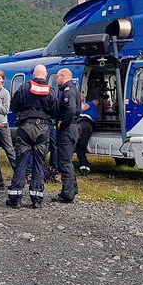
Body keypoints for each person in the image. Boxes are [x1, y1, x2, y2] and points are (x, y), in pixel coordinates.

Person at [7, 64, 57, 209]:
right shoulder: (51, 91)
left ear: (34, 74)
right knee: (39, 163)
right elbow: (55, 112)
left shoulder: (23, 88)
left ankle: (15, 199)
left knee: (21, 162)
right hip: (42, 130)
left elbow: (14, 107)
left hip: (25, 128)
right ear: (45, 75)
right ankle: (37, 199)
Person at [52, 68, 80, 203]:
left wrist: (62, 124)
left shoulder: (67, 91)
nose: (56, 79)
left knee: (64, 162)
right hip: (73, 128)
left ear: (63, 76)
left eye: (57, 77)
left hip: (67, 129)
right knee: (67, 160)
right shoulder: (73, 89)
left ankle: (67, 193)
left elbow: (71, 109)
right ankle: (72, 188)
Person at [75, 98, 99, 176]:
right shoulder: (95, 112)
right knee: (81, 145)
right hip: (88, 126)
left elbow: (82, 107)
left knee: (71, 143)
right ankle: (84, 166)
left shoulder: (91, 104)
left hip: (83, 123)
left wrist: (79, 99)